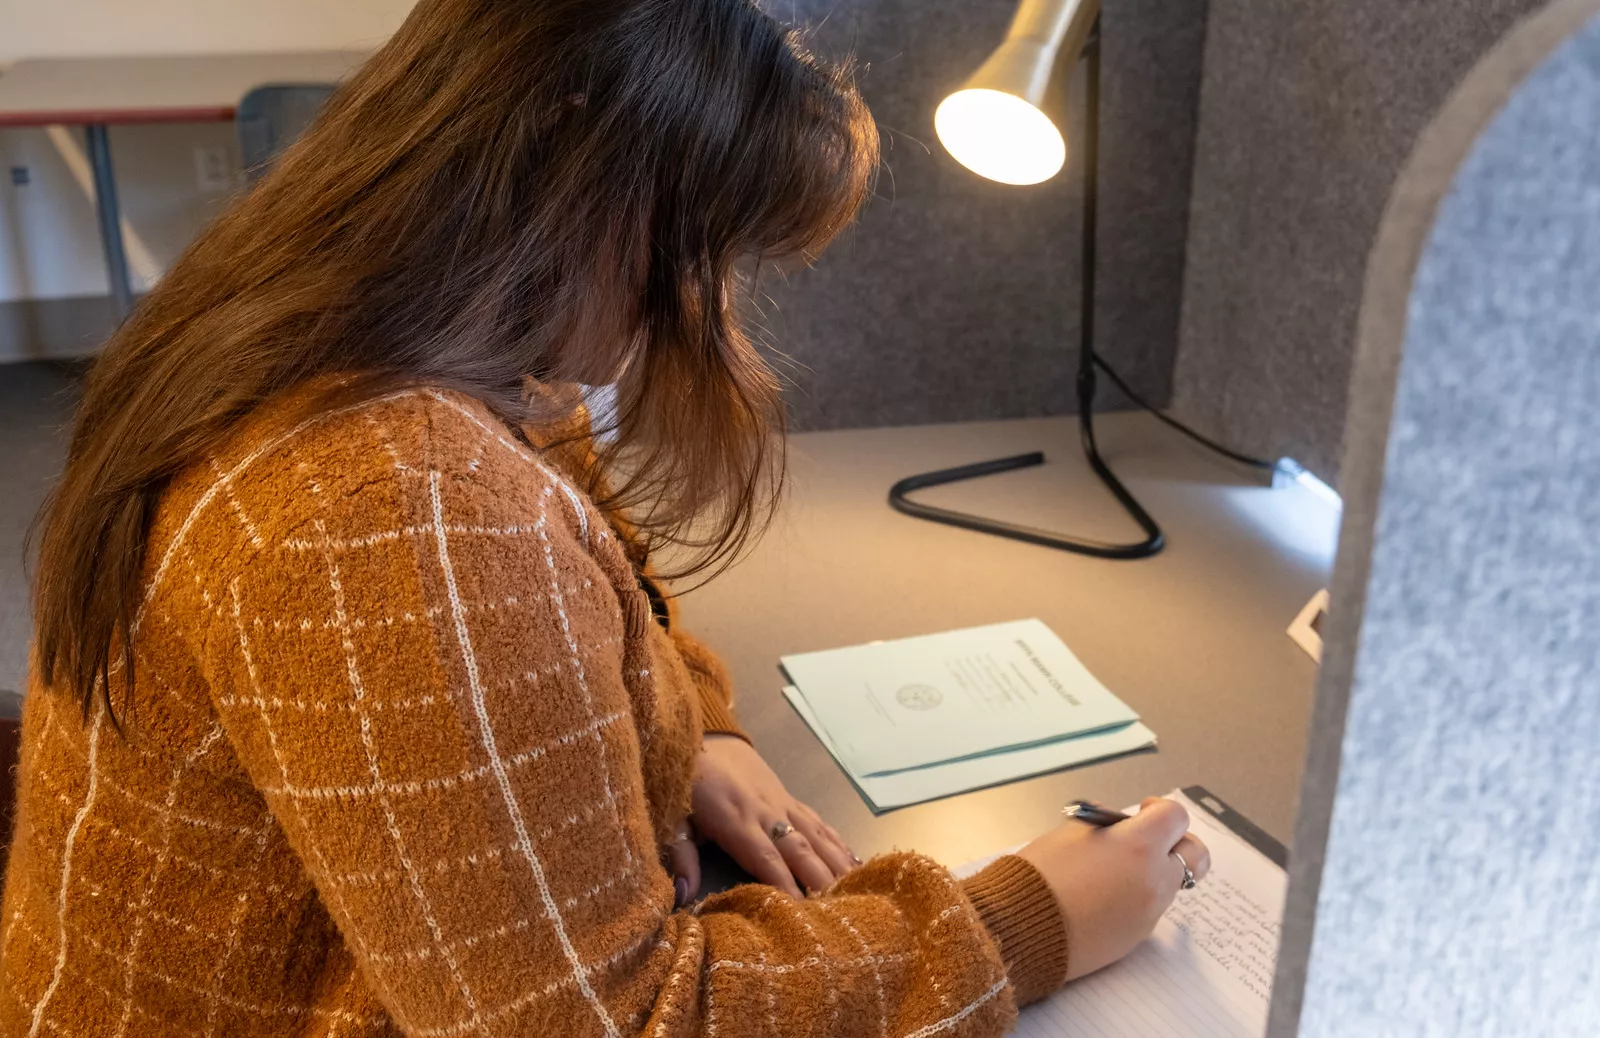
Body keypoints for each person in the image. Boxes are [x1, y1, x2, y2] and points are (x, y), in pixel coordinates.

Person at [1, 1, 1209, 1035]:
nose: (700, 309)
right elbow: (615, 1020)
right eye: (707, 256)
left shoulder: (399, 337)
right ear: (586, 184)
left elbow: (606, 572)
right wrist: (1025, 921)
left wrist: (699, 738)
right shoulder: (389, 511)